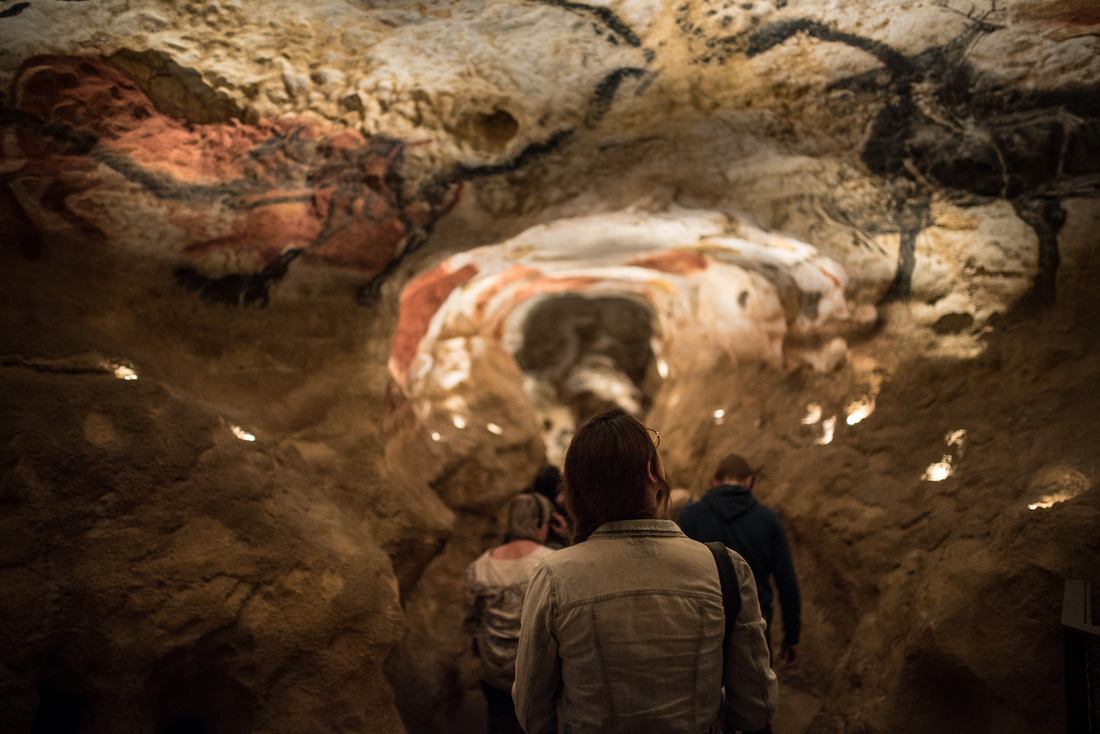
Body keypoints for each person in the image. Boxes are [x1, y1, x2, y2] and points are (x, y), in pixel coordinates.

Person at [513, 408, 777, 734]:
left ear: (576, 490)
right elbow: (756, 708)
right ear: (652, 473)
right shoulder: (726, 569)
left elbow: (531, 713)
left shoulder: (554, 578)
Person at [678, 454, 802, 667]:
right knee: (757, 694)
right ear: (750, 481)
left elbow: (678, 575)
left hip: (703, 625)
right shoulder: (768, 520)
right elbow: (786, 581)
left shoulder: (690, 516)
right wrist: (791, 636)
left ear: (713, 482)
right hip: (754, 624)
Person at [464, 493, 555, 734]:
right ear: (538, 522)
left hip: (493, 673)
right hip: (537, 675)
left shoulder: (481, 564)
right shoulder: (550, 562)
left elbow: (472, 621)